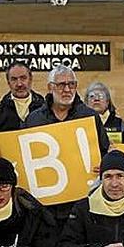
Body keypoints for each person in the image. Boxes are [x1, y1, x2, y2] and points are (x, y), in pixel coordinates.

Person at [24, 65, 111, 229]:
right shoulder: (34, 119)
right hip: (45, 206)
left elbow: (104, 151)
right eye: (61, 85)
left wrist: (104, 164)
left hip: (81, 203)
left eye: (71, 84)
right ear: (50, 87)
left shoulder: (90, 116)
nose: (67, 89)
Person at [0, 62, 47, 132]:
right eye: (14, 79)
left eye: (23, 78)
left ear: (30, 79)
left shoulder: (46, 110)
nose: (19, 84)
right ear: (8, 82)